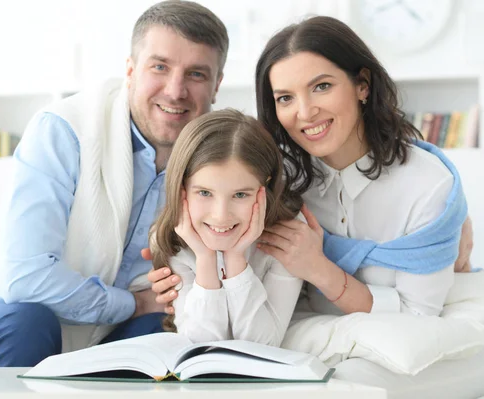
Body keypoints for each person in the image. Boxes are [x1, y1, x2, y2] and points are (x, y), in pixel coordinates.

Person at [0, 0, 228, 381]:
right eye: (159, 67)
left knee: (168, 338)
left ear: (216, 85)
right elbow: (25, 277)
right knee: (28, 322)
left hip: (115, 336)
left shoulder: (220, 163)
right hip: (4, 317)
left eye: (195, 74)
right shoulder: (62, 130)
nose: (175, 91)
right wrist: (131, 303)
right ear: (130, 70)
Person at [149, 15, 474, 317]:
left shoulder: (427, 186)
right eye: (285, 98)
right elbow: (210, 230)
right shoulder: (277, 178)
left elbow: (417, 315)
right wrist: (176, 274)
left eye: (322, 86)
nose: (305, 112)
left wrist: (318, 268)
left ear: (363, 85)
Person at [150, 108, 302, 346]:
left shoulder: (288, 239)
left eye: (240, 194)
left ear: (265, 188)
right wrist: (205, 259)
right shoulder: (177, 237)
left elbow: (263, 346)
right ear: (182, 190)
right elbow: (200, 346)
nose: (221, 216)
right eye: (204, 193)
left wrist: (235, 259)